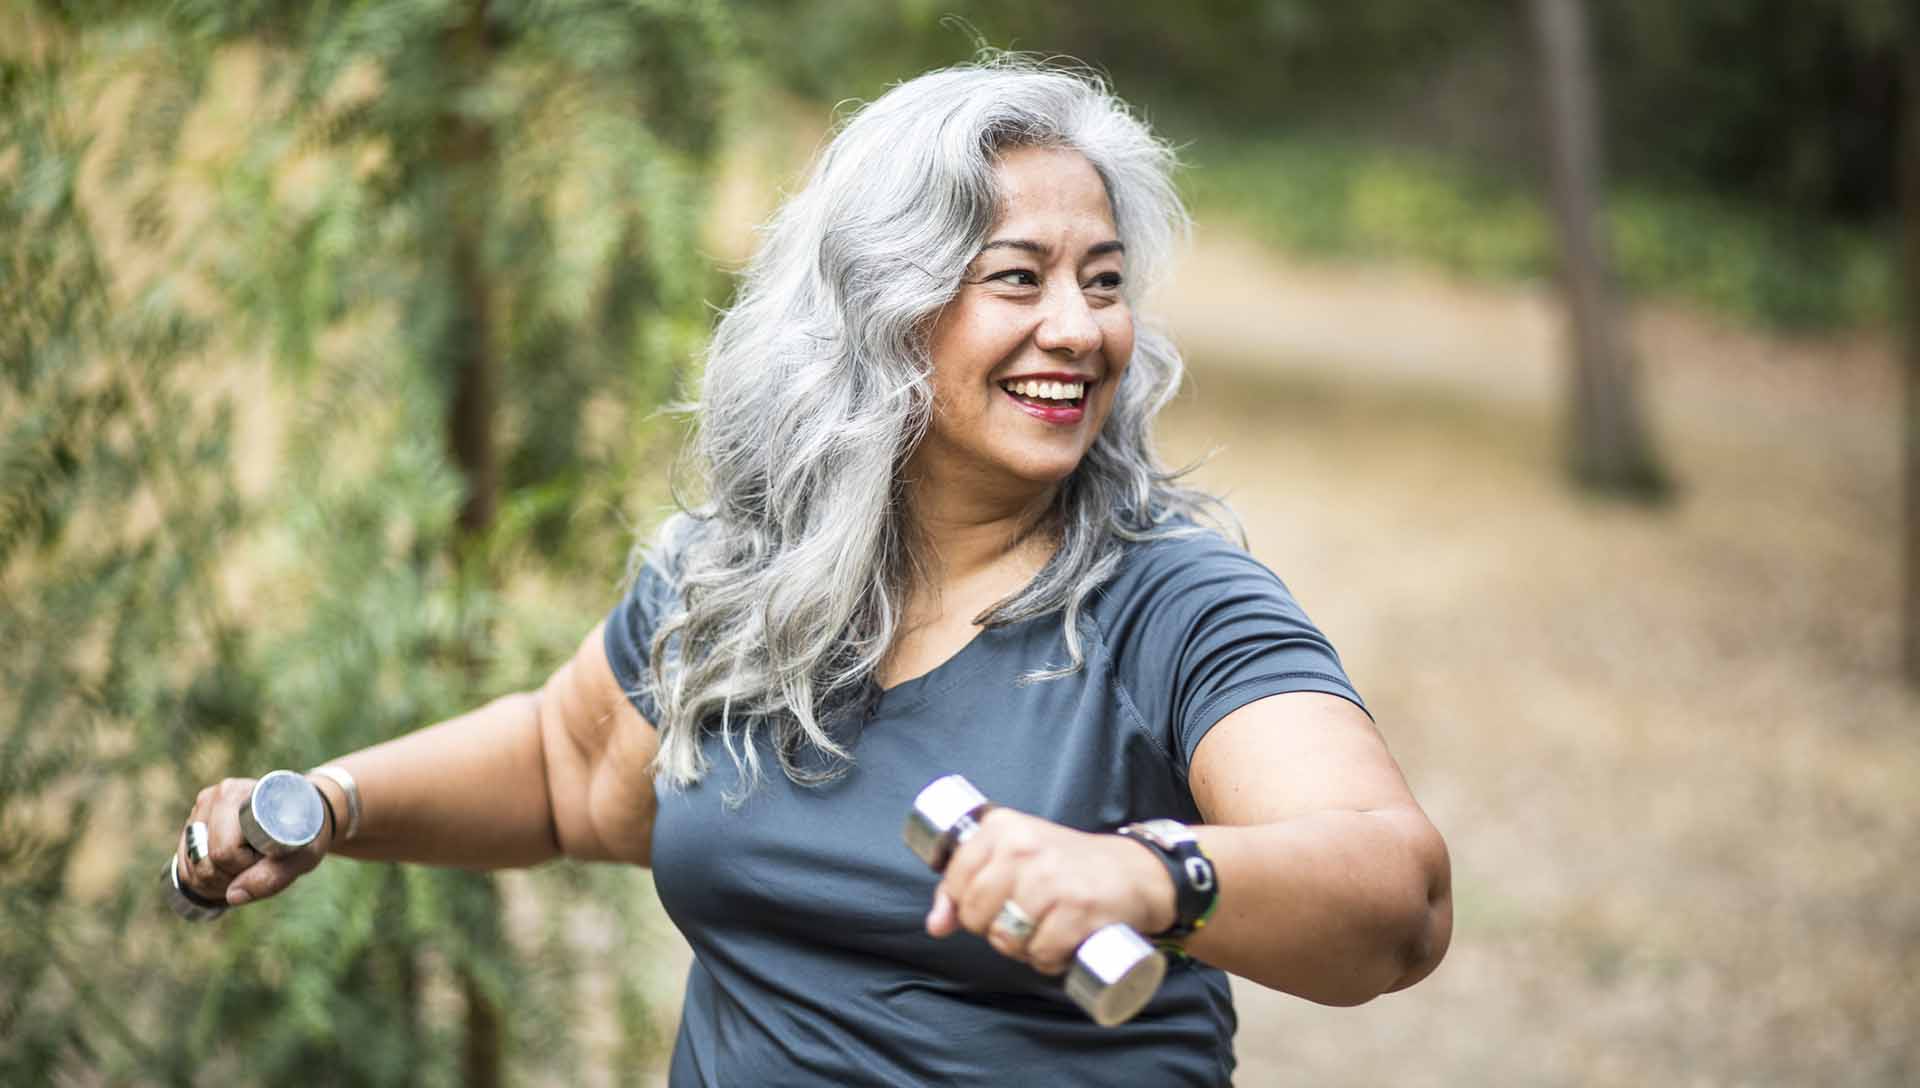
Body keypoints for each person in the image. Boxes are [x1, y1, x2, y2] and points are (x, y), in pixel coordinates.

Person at [172, 57, 1452, 1085]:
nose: (1081, 326)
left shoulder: (1171, 603)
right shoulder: (738, 581)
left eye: (1103, 281)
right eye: (1020, 277)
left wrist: (1151, 873)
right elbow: (570, 772)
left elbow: (1399, 894)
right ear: (882, 308)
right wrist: (330, 802)